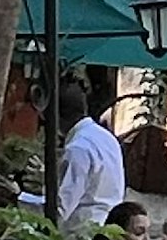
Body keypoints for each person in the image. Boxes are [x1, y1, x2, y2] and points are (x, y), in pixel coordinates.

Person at [55, 70, 129, 231]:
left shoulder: (78, 149)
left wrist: (17, 198)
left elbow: (60, 210)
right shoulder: (106, 137)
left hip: (82, 234)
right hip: (107, 229)